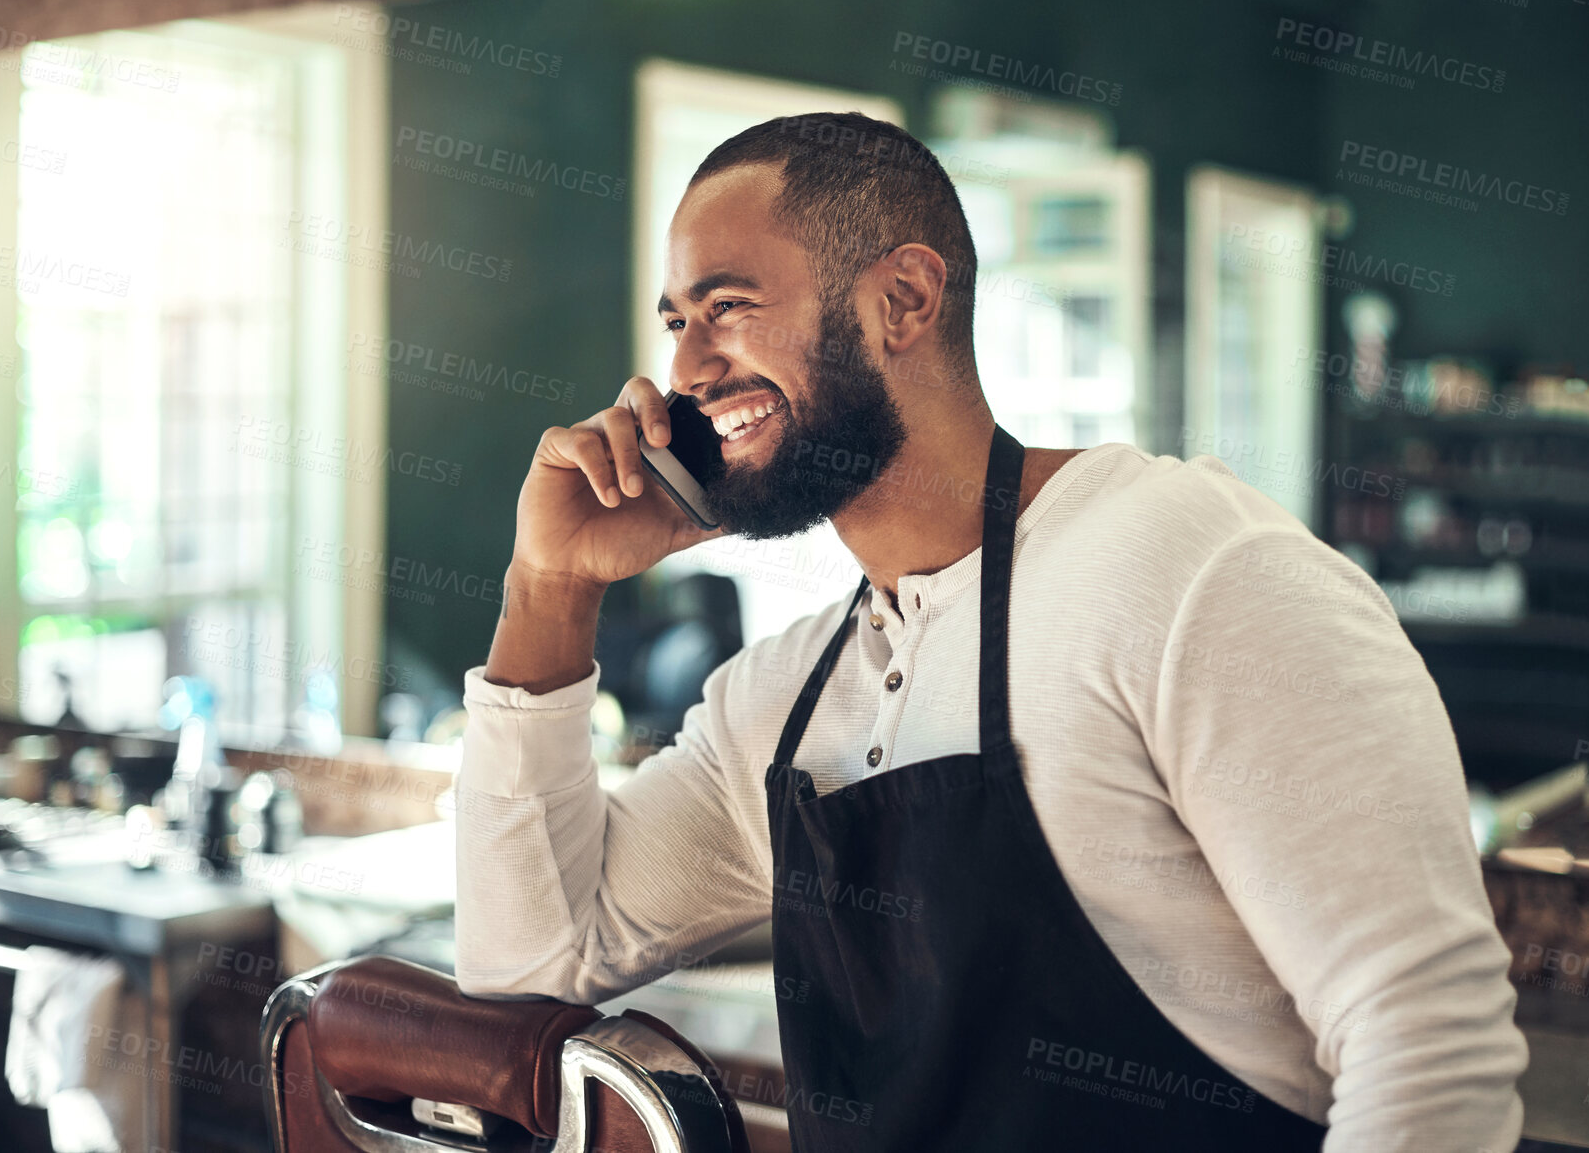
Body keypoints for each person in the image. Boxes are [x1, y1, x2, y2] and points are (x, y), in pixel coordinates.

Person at [455, 111, 1527, 1151]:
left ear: (903, 301)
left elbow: (1427, 1049)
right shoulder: (779, 707)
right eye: (678, 323)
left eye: (728, 305)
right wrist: (548, 588)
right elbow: (528, 965)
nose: (686, 371)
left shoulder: (1189, 569)